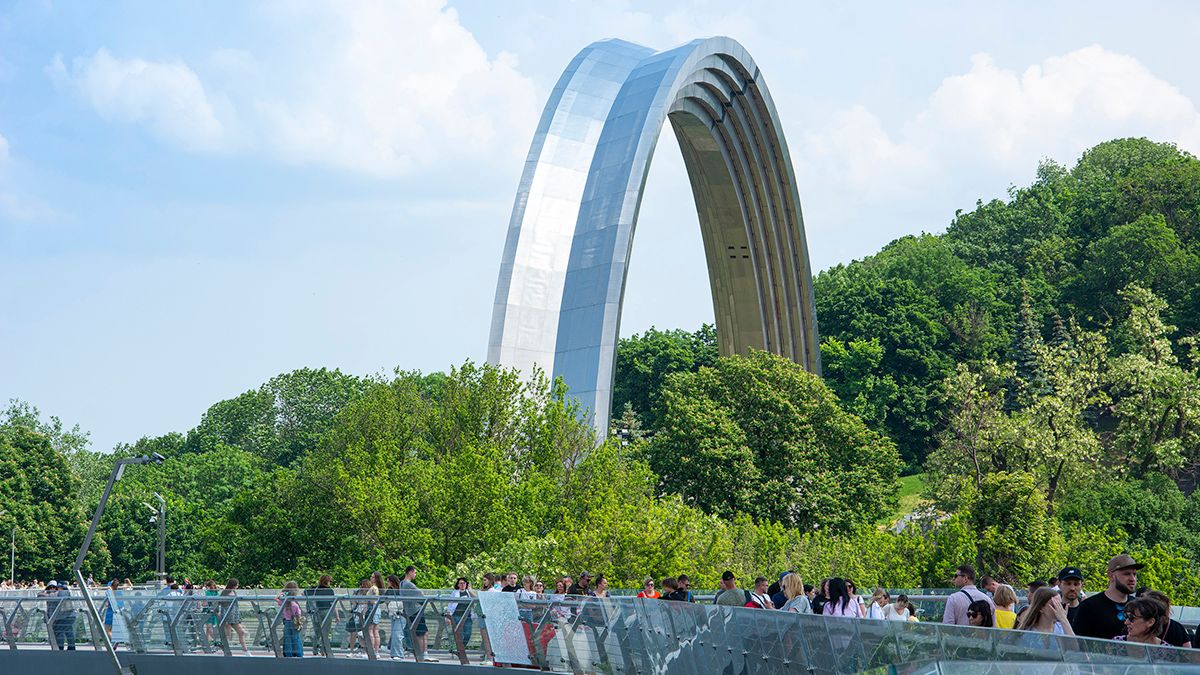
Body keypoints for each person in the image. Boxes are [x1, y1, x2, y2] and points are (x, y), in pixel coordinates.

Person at [1072, 554, 1141, 640]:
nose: (1132, 579)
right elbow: (1078, 643)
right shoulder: (1089, 606)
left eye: (1134, 574)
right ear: (1111, 576)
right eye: (1126, 574)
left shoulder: (1139, 607)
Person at [400, 566, 428, 660]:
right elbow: (421, 594)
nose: (415, 574)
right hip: (416, 611)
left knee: (420, 632)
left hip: (410, 611)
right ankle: (423, 654)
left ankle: (421, 653)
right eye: (415, 572)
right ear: (410, 572)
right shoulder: (408, 584)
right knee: (422, 633)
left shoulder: (401, 583)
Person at [309, 575, 337, 656]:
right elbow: (333, 603)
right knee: (326, 631)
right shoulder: (330, 591)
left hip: (317, 611)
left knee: (317, 630)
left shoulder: (316, 589)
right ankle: (323, 649)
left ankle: (315, 649)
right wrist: (337, 615)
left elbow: (307, 595)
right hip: (327, 611)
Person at [277, 581, 304, 658]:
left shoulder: (284, 603)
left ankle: (288, 653)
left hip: (287, 621)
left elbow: (276, 598)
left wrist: (283, 594)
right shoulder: (295, 604)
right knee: (296, 638)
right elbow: (298, 614)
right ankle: (298, 653)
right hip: (294, 622)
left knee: (287, 638)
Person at [221, 578, 248, 653]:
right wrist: (225, 618)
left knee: (241, 632)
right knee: (229, 634)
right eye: (237, 584)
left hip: (234, 615)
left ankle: (245, 649)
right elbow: (222, 605)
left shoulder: (234, 592)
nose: (238, 586)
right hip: (228, 615)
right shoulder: (225, 592)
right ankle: (227, 649)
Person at [384, 575, 406, 660]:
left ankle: (399, 654)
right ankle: (394, 654)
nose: (387, 583)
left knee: (397, 635)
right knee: (394, 634)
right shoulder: (390, 590)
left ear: (392, 581)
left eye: (388, 581)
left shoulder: (401, 590)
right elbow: (383, 599)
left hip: (400, 613)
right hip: (393, 614)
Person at [447, 577, 474, 646]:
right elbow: (450, 604)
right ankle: (460, 649)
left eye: (464, 583)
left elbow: (475, 598)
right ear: (458, 585)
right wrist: (448, 616)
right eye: (460, 583)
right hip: (457, 616)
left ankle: (462, 648)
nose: (462, 585)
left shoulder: (469, 592)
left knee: (468, 634)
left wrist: (470, 589)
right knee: (459, 634)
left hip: (467, 617)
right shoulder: (455, 593)